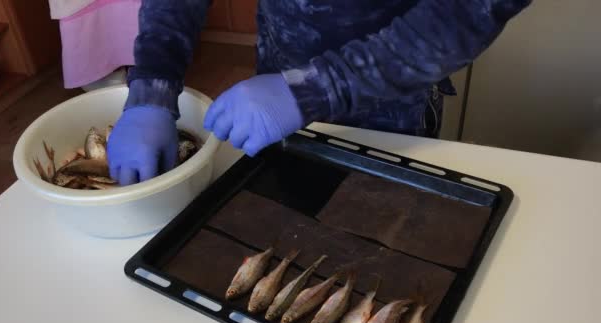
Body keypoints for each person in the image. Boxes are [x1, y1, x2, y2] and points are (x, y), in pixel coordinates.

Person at [107, 0, 531, 186]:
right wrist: (153, 88)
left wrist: (316, 90)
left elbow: (467, 11)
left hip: (391, 105)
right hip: (278, 75)